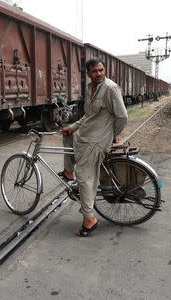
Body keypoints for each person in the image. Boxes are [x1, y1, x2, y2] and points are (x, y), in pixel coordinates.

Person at [59, 57, 128, 237]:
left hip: (97, 140)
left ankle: (89, 219)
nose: (99, 74)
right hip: (85, 134)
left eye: (101, 70)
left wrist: (113, 136)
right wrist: (72, 127)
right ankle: (68, 171)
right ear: (88, 74)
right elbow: (88, 116)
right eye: (95, 71)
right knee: (67, 137)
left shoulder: (111, 89)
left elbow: (122, 117)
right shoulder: (90, 88)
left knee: (83, 176)